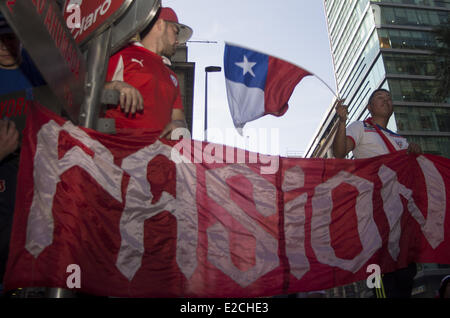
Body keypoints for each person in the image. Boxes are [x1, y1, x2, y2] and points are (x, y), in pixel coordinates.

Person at [332, 88, 422, 298]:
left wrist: (415, 154)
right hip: (373, 217)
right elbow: (339, 152)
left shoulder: (401, 141)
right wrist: (342, 121)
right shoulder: (360, 127)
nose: (386, 100)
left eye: (389, 98)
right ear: (369, 107)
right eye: (380, 98)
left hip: (401, 221)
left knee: (404, 279)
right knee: (380, 281)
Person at [105, 6, 193, 139]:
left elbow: (180, 119)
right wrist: (115, 85)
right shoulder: (121, 54)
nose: (177, 41)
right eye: (175, 32)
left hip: (160, 155)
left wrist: (179, 125)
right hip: (119, 149)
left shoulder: (172, 77)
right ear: (160, 24)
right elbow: (86, 91)